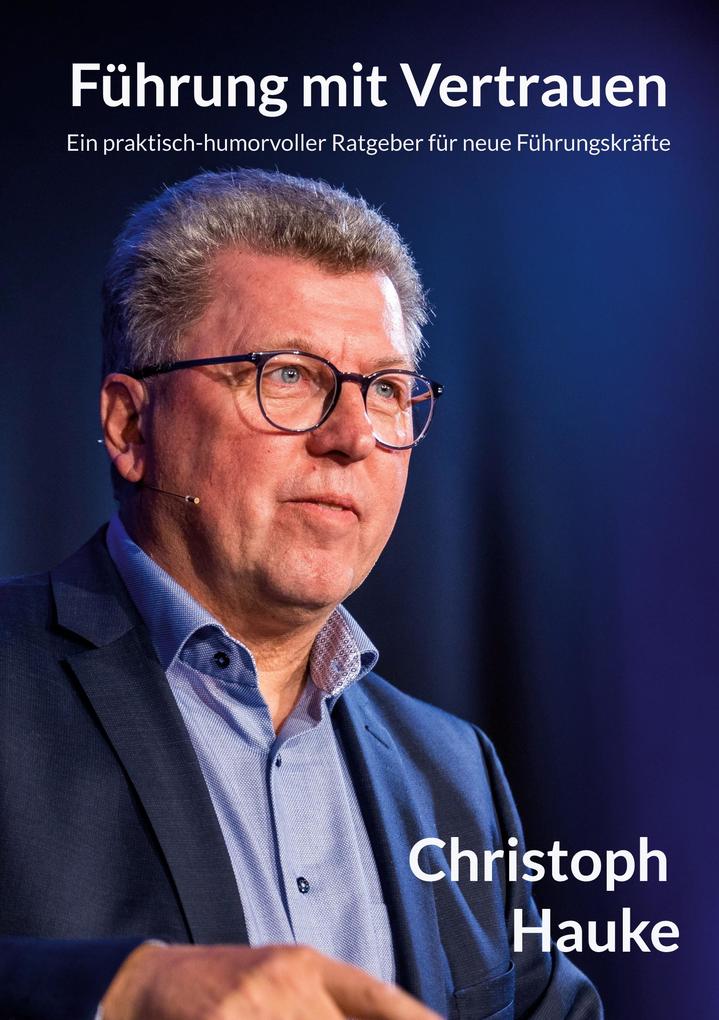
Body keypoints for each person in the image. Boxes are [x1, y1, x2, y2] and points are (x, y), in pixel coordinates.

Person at [0, 169, 602, 1019]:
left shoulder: (454, 769)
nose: (352, 435)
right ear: (130, 426)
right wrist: (124, 993)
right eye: (287, 374)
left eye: (385, 389)